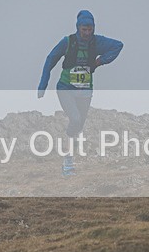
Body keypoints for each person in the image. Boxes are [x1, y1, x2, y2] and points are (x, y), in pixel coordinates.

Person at [37, 10, 123, 176]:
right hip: (66, 88)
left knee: (78, 126)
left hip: (85, 91)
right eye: (84, 29)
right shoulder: (67, 42)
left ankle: (70, 145)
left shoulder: (97, 42)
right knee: (75, 119)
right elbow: (50, 59)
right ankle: (68, 163)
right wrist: (43, 84)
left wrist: (99, 61)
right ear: (78, 28)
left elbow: (118, 45)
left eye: (90, 29)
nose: (87, 33)